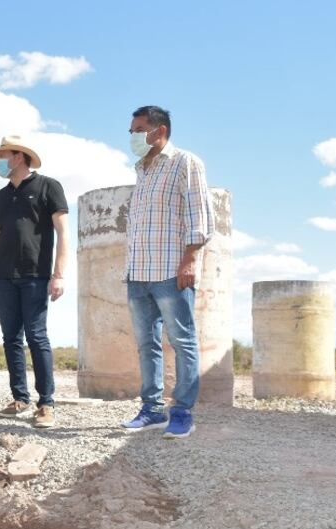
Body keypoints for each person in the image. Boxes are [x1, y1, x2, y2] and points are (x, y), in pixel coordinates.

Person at [120, 106, 212, 440]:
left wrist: (189, 260)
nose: (132, 136)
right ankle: (152, 409)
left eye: (138, 129)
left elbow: (199, 217)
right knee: (147, 344)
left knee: (183, 340)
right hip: (138, 272)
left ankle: (183, 411)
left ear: (160, 131)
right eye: (131, 130)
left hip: (171, 270)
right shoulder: (141, 170)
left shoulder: (185, 163)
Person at [0, 136, 69, 428]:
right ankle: (19, 398)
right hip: (3, 277)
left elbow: (63, 233)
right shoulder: (0, 196)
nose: (0, 162)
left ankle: (46, 403)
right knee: (10, 339)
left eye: (3, 155)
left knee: (36, 336)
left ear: (18, 157)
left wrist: (59, 274)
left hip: (35, 274)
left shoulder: (48, 186)